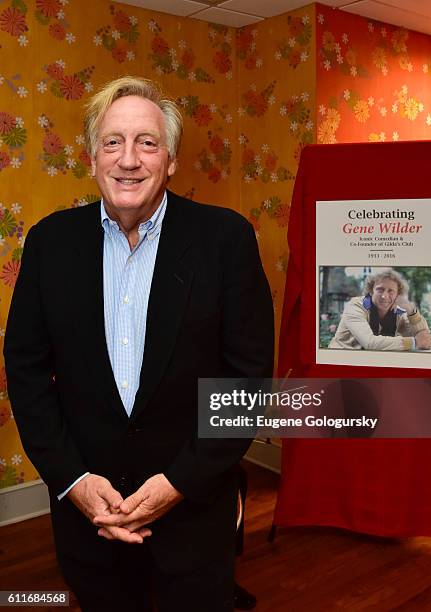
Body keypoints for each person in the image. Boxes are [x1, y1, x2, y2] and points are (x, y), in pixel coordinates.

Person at [4, 76, 274, 612]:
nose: (129, 160)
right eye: (113, 142)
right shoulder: (49, 243)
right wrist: (74, 481)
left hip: (194, 515)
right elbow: (27, 370)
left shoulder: (226, 240)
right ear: (92, 156)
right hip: (90, 521)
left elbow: (247, 382)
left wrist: (178, 482)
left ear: (170, 160)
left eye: (147, 143)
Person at [328, 268, 431, 351]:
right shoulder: (356, 306)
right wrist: (413, 342)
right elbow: (369, 342)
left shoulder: (398, 313)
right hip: (340, 360)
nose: (384, 296)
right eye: (380, 289)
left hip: (369, 362)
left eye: (390, 291)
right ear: (371, 290)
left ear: (398, 295)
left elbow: (424, 335)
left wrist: (411, 310)